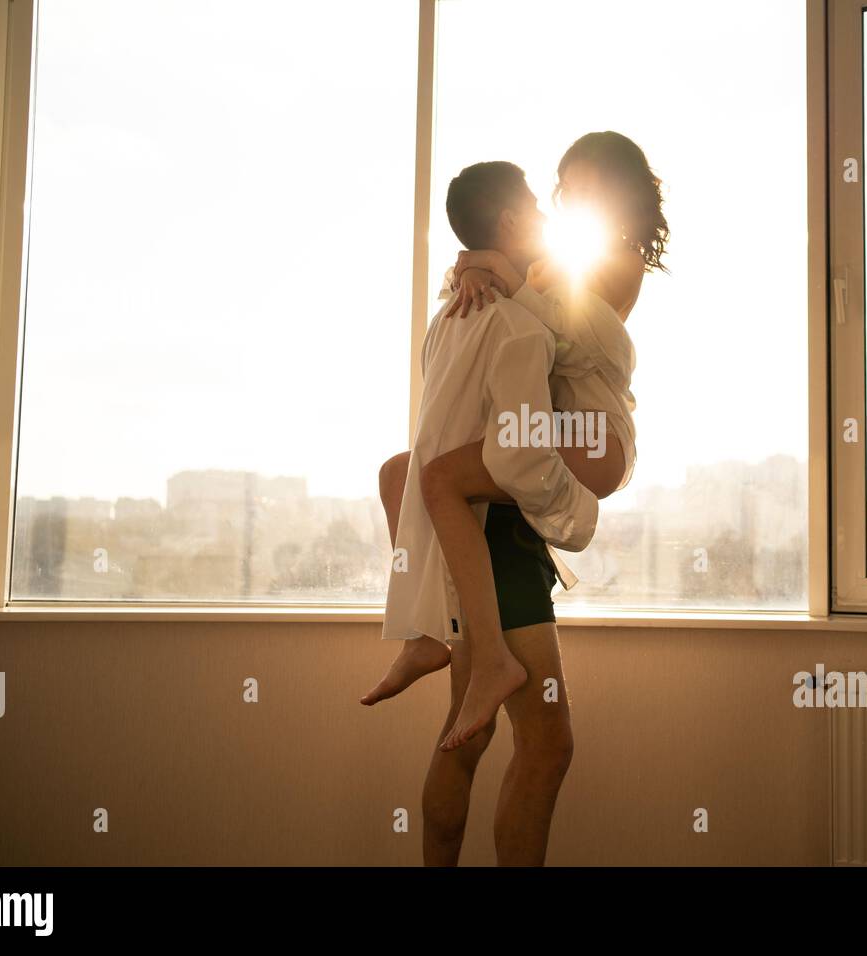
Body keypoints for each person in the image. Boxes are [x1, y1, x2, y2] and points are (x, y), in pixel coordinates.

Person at [365, 132, 669, 756]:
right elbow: (516, 297)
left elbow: (577, 342)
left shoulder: (619, 260)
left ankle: (444, 642)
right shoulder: (554, 255)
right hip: (543, 429)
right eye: (564, 185)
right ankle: (426, 625)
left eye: (584, 186)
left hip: (590, 435)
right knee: (401, 471)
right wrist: (472, 268)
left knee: (439, 477)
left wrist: (505, 276)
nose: (568, 198)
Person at [362, 159, 597, 864]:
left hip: (456, 544)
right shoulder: (519, 327)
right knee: (548, 743)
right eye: (533, 204)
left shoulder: (453, 313)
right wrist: (576, 514)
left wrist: (480, 265)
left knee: (465, 738)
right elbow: (516, 457)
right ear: (508, 222)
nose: (545, 215)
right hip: (495, 542)